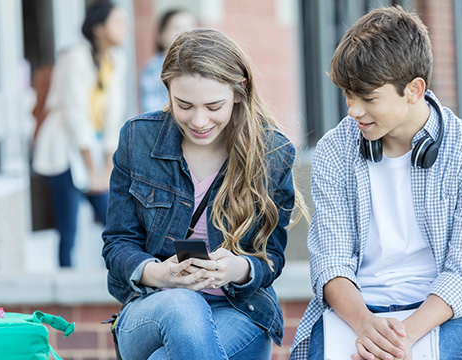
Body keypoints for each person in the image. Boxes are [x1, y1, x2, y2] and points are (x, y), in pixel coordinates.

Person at [290, 5, 462, 360]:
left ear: (413, 90)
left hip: (438, 314)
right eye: (348, 95)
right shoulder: (335, 150)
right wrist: (366, 325)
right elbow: (330, 261)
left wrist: (402, 337)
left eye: (367, 98)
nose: (353, 110)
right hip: (356, 312)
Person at [102, 28, 309, 360]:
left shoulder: (272, 152)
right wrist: (160, 274)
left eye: (214, 106)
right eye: (184, 105)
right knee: (184, 303)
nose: (199, 121)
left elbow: (272, 257)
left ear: (239, 91)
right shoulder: (137, 139)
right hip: (151, 309)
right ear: (167, 91)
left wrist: (236, 269)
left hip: (239, 309)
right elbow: (117, 242)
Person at [32, 1, 128, 267]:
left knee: (113, 222)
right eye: (118, 23)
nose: (126, 28)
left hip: (93, 153)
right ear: (99, 29)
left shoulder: (116, 59)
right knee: (68, 228)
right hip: (63, 151)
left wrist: (107, 167)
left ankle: (121, 275)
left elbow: (113, 116)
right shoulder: (75, 57)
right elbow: (76, 118)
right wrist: (93, 170)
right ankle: (65, 287)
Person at [139, 9, 197, 113]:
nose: (185, 34)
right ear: (161, 35)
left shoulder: (203, 66)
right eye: (177, 28)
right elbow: (152, 111)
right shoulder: (152, 70)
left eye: (191, 28)